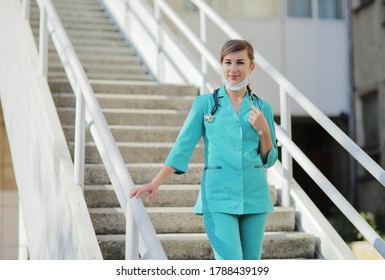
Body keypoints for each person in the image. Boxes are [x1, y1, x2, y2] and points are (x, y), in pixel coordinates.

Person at [129, 39, 278, 260]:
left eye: (240, 62)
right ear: (221, 65)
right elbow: (182, 146)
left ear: (251, 67)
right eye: (228, 62)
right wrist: (156, 181)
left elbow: (269, 159)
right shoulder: (205, 104)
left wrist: (264, 130)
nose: (233, 69)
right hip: (217, 196)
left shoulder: (262, 107)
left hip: (255, 196)